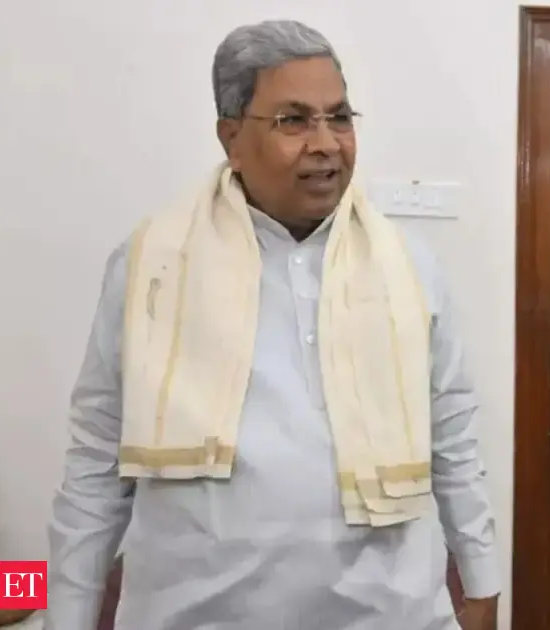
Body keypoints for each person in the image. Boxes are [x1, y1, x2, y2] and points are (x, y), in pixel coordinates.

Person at [45, 20, 499, 630]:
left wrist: (484, 586)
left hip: (392, 614)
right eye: (293, 120)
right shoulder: (150, 267)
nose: (327, 143)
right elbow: (95, 463)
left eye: (339, 117)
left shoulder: (410, 268)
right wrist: (66, 617)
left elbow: (455, 442)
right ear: (230, 137)